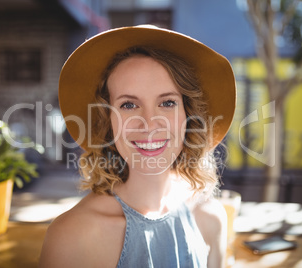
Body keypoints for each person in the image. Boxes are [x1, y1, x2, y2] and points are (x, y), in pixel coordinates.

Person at [39, 25, 236, 268]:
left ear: (189, 116)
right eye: (129, 105)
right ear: (107, 122)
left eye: (167, 102)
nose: (150, 124)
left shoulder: (210, 218)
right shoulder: (71, 238)